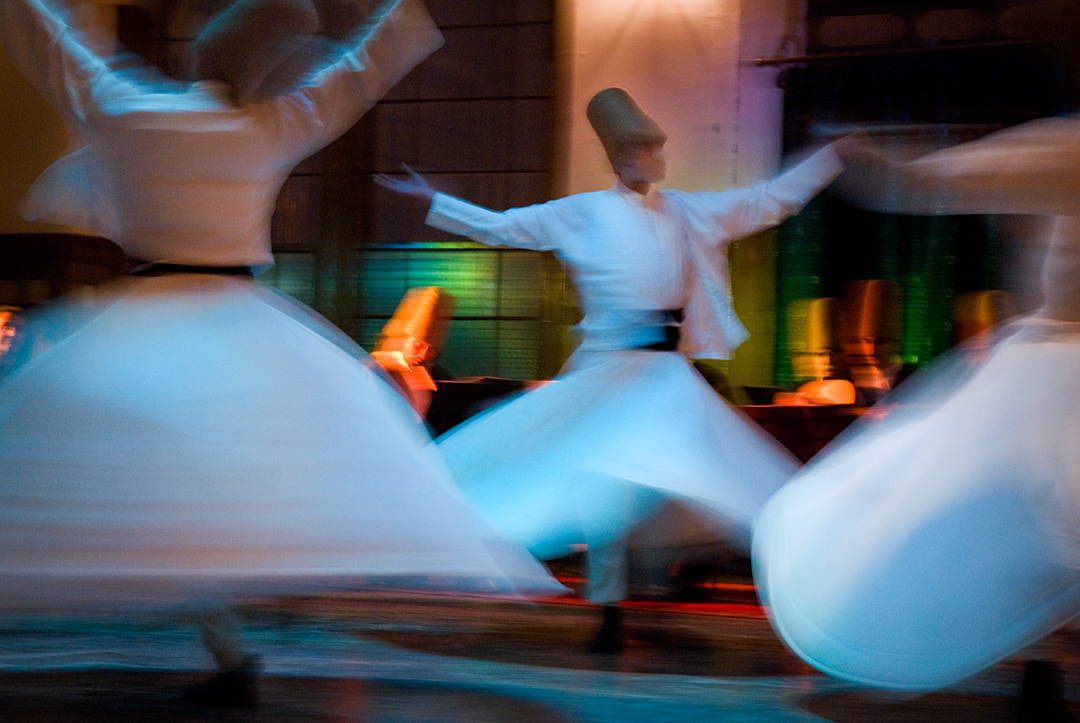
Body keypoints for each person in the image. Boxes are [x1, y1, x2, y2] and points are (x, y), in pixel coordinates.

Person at [0, 0, 561, 708]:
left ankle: (228, 647)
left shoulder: (126, 108)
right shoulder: (269, 125)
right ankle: (233, 644)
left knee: (151, 482)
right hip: (239, 328)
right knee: (222, 485)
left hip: (144, 324)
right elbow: (359, 71)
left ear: (200, 55)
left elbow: (50, 45)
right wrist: (396, 15)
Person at [377, 87, 847, 653]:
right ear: (619, 156)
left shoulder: (685, 211)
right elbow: (505, 228)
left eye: (654, 146)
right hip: (606, 373)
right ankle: (608, 607)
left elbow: (766, 202)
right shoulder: (582, 213)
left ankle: (785, 564)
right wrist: (434, 200)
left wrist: (829, 158)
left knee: (721, 469)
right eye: (639, 148)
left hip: (665, 376)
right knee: (605, 492)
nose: (652, 156)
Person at [752, 122, 1080, 707]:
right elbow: (965, 178)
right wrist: (886, 171)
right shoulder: (1068, 150)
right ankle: (1043, 658)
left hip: (1052, 373)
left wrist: (893, 173)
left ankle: (1045, 657)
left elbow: (959, 180)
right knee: (1019, 515)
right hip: (1050, 372)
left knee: (1043, 517)